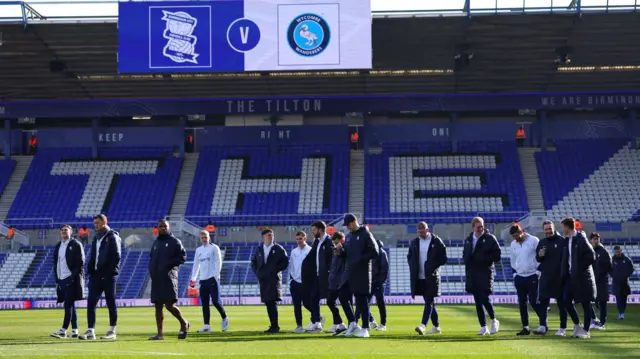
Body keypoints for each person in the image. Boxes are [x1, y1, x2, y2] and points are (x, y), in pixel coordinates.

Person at [79, 214, 121, 340]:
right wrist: (91, 270)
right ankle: (91, 330)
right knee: (91, 302)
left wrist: (108, 271)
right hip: (96, 275)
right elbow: (94, 255)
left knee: (110, 302)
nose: (95, 225)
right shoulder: (96, 238)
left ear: (104, 222)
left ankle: (112, 330)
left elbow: (117, 256)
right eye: (94, 223)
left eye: (98, 222)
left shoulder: (112, 236)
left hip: (108, 275)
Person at [148, 220, 189, 340]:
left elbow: (183, 257)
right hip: (156, 278)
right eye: (160, 227)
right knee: (158, 305)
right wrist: (152, 270)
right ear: (157, 228)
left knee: (169, 305)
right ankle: (160, 334)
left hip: (169, 277)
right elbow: (151, 258)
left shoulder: (175, 242)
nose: (163, 228)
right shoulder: (156, 243)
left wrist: (167, 265)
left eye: (165, 226)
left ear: (169, 227)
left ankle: (183, 323)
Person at [341, 213, 379, 338]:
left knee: (362, 300)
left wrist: (360, 258)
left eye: (348, 225)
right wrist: (339, 252)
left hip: (362, 272)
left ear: (354, 221)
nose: (347, 227)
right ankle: (353, 324)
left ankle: (365, 328)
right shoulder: (348, 237)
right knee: (343, 295)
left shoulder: (365, 234)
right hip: (350, 273)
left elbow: (375, 251)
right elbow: (346, 254)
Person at [463, 216, 501, 335]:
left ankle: (494, 320)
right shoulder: (469, 239)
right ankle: (483, 326)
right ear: (473, 227)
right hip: (472, 273)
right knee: (477, 301)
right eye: (478, 227)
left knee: (484, 297)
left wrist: (483, 259)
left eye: (482, 226)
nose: (481, 229)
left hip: (485, 272)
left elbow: (497, 255)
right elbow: (465, 254)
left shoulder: (490, 238)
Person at [407, 221, 447, 335]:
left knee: (428, 301)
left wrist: (433, 266)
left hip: (431, 277)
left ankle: (423, 325)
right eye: (419, 232)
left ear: (427, 230)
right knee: (429, 302)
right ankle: (436, 326)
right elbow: (409, 256)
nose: (421, 234)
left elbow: (444, 257)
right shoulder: (415, 242)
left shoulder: (436, 241)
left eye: (423, 232)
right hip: (419, 277)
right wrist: (413, 266)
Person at [560, 217, 596, 339]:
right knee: (565, 300)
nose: (562, 229)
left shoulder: (581, 239)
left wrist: (579, 269)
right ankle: (577, 325)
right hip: (571, 277)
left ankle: (586, 331)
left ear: (568, 227)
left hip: (582, 277)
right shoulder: (568, 240)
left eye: (563, 227)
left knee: (586, 303)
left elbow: (591, 256)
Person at [250, 229, 289, 333]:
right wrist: (258, 272)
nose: (270, 237)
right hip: (263, 280)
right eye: (268, 235)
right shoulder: (259, 249)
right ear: (263, 237)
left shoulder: (278, 248)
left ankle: (275, 326)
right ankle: (273, 325)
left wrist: (275, 270)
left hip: (274, 280)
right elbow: (253, 262)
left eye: (272, 235)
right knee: (268, 302)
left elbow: (285, 262)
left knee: (272, 302)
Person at [190, 230, 229, 333]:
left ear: (209, 237)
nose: (204, 239)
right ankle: (207, 326)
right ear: (200, 238)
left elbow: (219, 262)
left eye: (206, 237)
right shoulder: (198, 250)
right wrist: (193, 278)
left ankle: (224, 318)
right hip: (203, 280)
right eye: (202, 237)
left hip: (213, 279)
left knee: (216, 301)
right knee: (205, 304)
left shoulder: (214, 248)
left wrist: (216, 276)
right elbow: (196, 265)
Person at [509, 223, 544, 336]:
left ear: (521, 232)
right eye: (513, 236)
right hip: (520, 276)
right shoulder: (513, 244)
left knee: (534, 301)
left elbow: (541, 257)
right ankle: (525, 327)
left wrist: (538, 272)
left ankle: (543, 323)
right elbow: (513, 260)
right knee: (522, 303)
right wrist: (515, 274)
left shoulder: (534, 240)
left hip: (532, 275)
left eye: (517, 235)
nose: (516, 238)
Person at [50, 225, 85, 339]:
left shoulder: (76, 244)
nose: (64, 231)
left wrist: (72, 277)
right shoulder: (59, 246)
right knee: (71, 305)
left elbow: (80, 262)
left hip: (70, 279)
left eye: (66, 229)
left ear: (71, 232)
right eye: (62, 230)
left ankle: (63, 330)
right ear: (60, 232)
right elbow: (56, 263)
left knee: (68, 304)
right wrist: (58, 279)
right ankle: (74, 330)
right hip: (61, 279)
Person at [536, 220, 570, 336]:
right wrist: (540, 255)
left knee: (562, 305)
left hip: (559, 278)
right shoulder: (542, 242)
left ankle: (562, 328)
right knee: (543, 303)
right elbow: (538, 259)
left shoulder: (562, 241)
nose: (548, 231)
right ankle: (543, 326)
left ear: (554, 228)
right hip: (546, 277)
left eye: (550, 229)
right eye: (546, 229)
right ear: (543, 230)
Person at [301, 221, 335, 333]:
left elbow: (331, 260)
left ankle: (339, 323)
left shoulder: (329, 241)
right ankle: (317, 323)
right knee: (313, 299)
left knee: (331, 301)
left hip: (326, 277)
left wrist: (329, 273)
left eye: (314, 230)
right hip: (317, 276)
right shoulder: (317, 242)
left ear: (320, 230)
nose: (313, 232)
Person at [329, 231, 356, 336]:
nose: (336, 245)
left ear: (342, 240)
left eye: (337, 242)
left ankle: (352, 324)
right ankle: (341, 323)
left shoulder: (347, 248)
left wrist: (340, 251)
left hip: (344, 280)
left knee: (346, 300)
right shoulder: (336, 250)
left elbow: (347, 259)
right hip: (335, 280)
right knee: (330, 300)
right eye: (334, 243)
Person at [288, 231, 313, 333]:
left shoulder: (310, 250)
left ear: (305, 239)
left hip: (306, 282)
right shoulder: (294, 252)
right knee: (296, 305)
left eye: (300, 239)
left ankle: (316, 318)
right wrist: (293, 278)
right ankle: (299, 326)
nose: (299, 241)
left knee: (307, 303)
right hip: (295, 281)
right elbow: (292, 266)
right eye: (297, 239)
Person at [589, 232, 612, 330]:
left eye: (597, 239)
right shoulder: (590, 251)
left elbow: (608, 267)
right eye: (594, 239)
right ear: (591, 240)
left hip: (601, 281)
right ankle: (594, 319)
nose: (596, 240)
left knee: (602, 303)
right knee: (587, 301)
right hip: (591, 281)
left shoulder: (604, 252)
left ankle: (602, 323)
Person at [611, 246, 634, 320]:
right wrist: (614, 276)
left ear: (621, 250)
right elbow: (609, 269)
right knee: (618, 298)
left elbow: (632, 268)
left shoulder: (627, 259)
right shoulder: (612, 259)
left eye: (618, 250)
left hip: (625, 282)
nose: (617, 252)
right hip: (616, 283)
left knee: (624, 299)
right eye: (616, 251)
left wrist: (627, 276)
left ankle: (622, 312)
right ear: (614, 251)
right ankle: (621, 313)